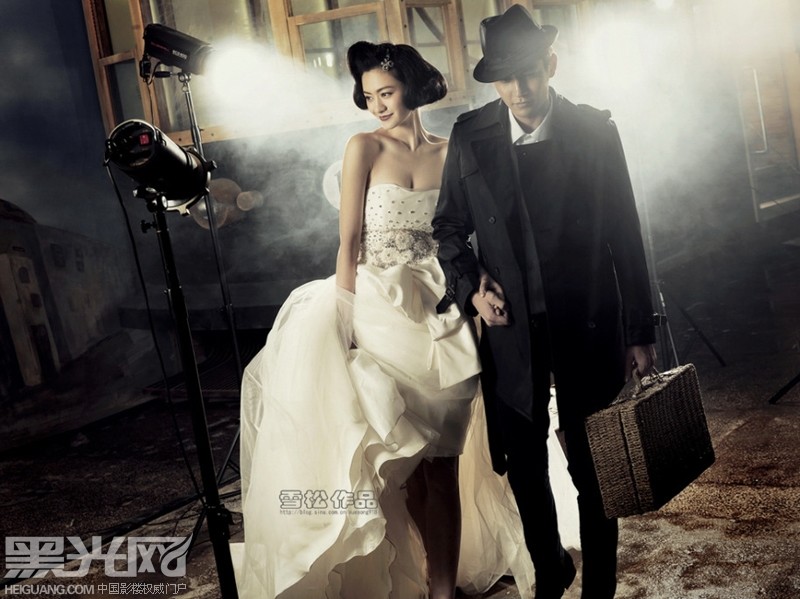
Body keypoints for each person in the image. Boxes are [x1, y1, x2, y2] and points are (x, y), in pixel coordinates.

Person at [234, 40, 575, 599]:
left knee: (442, 462)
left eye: (386, 93)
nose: (377, 105)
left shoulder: (452, 150)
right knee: (407, 462)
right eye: (369, 95)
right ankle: (429, 576)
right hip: (378, 311)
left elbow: (467, 234)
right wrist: (343, 320)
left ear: (412, 88)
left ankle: (441, 588)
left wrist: (481, 289)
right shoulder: (363, 147)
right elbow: (348, 243)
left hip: (444, 315)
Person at [432, 5, 657, 599]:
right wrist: (473, 286)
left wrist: (640, 329)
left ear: (551, 65)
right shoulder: (471, 135)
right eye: (505, 79)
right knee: (525, 466)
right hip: (512, 331)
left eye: (529, 73)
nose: (519, 90)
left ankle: (600, 589)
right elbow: (448, 228)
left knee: (594, 469)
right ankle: (550, 571)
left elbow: (626, 234)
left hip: (589, 321)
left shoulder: (594, 130)